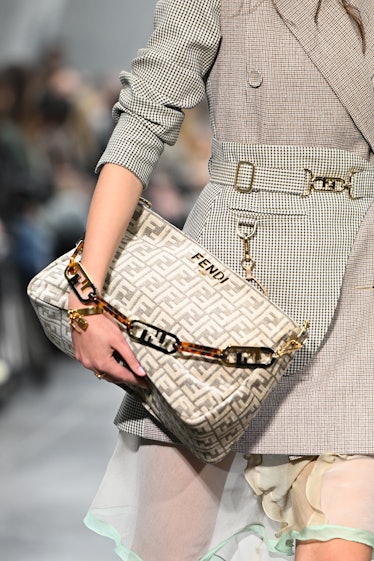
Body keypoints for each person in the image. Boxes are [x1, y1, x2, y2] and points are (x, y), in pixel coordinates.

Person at [67, 0, 374, 560]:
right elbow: (143, 118)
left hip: (359, 282)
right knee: (173, 549)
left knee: (343, 538)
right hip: (231, 289)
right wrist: (86, 297)